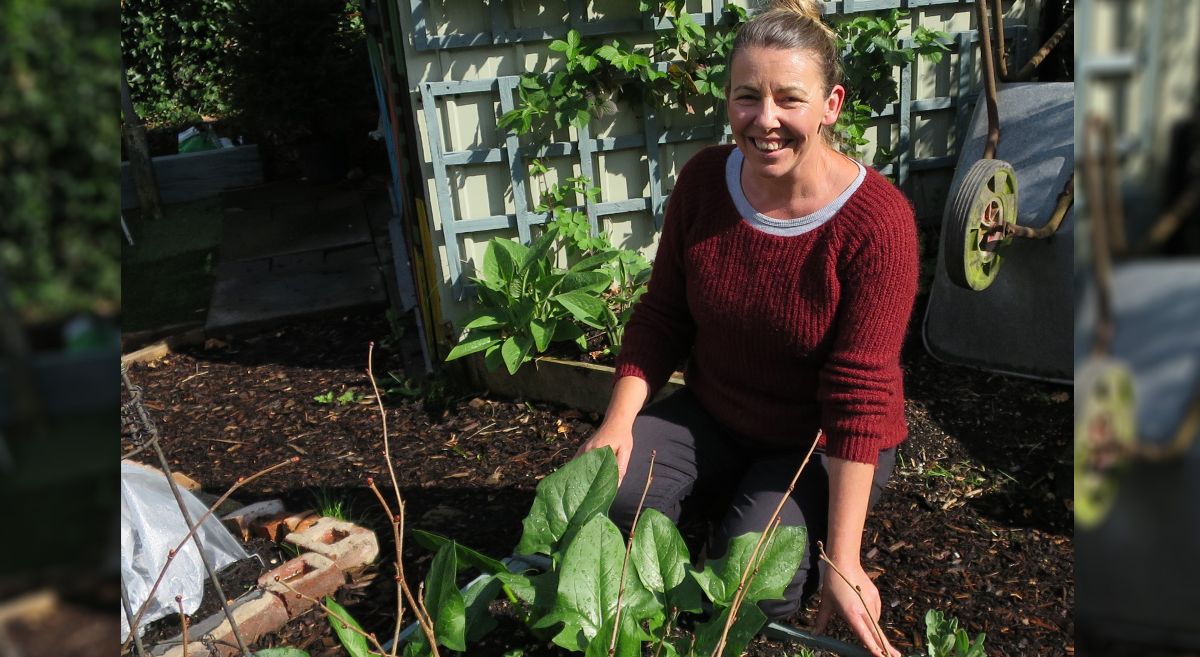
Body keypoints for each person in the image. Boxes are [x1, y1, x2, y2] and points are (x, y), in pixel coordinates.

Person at [575, 1, 917, 656]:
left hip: (819, 442)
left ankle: (759, 526)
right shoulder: (705, 181)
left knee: (752, 589)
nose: (765, 120)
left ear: (831, 105)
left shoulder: (878, 224)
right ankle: (713, 513)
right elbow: (662, 314)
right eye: (747, 96)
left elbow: (861, 394)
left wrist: (844, 558)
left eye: (789, 99)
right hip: (716, 412)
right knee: (608, 495)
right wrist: (615, 425)